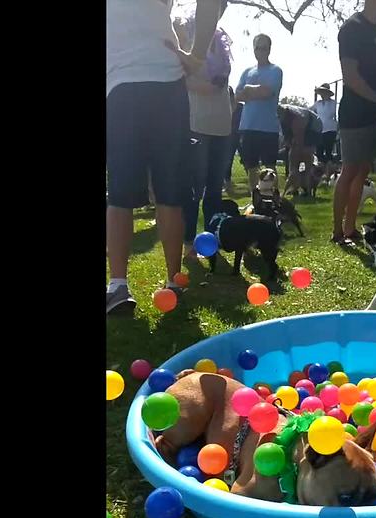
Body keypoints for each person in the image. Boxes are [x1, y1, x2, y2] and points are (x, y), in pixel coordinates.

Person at [106, 0, 221, 314]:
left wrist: (197, 55)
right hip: (160, 82)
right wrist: (196, 56)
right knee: (166, 191)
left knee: (122, 192)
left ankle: (120, 286)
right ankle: (172, 282)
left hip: (126, 86)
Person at [174, 8, 235, 249]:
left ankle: (212, 237)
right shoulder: (186, 34)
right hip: (196, 121)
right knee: (194, 185)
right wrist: (203, 86)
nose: (218, 9)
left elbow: (224, 79)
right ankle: (189, 241)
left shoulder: (222, 40)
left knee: (214, 186)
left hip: (221, 122)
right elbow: (178, 74)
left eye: (222, 5)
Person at [332, 0, 376, 247]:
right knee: (350, 170)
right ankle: (337, 231)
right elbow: (350, 75)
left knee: (363, 170)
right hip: (355, 111)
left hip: (375, 113)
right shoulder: (351, 28)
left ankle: (350, 227)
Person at [234, 34, 283, 201]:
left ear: (269, 49)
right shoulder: (247, 71)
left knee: (270, 166)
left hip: (268, 127)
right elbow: (237, 96)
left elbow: (267, 92)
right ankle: (255, 201)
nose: (260, 51)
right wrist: (253, 91)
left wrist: (248, 89)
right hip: (248, 126)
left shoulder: (275, 70)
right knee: (252, 167)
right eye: (257, 47)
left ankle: (275, 200)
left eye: (264, 48)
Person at [277, 104, 322, 195]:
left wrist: (296, 152)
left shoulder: (297, 118)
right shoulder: (281, 118)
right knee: (293, 162)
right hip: (301, 125)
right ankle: (295, 187)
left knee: (305, 158)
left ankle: (307, 189)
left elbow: (299, 139)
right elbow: (287, 139)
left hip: (313, 126)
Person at [312, 84, 339, 164]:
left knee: (328, 151)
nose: (322, 95)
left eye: (324, 92)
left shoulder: (333, 103)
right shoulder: (317, 103)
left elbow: (331, 113)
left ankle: (328, 170)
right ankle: (321, 170)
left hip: (330, 129)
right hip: (320, 129)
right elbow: (309, 110)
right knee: (319, 151)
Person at [224, 88, 242, 196]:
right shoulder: (224, 107)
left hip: (240, 135)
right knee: (228, 159)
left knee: (247, 161)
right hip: (229, 136)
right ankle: (227, 182)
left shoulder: (241, 107)